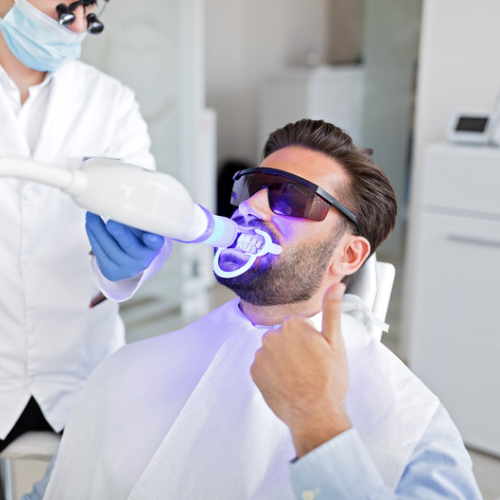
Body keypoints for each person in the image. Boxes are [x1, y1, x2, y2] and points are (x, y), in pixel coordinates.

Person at [34, 119, 481, 499]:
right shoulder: (131, 368)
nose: (251, 206)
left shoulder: (411, 422)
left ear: (348, 257)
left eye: (291, 197)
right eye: (253, 187)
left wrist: (319, 426)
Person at [0, 0, 168, 454]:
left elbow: (149, 215)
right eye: (63, 10)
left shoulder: (110, 102)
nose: (76, 26)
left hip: (80, 375)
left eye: (89, 14)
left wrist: (139, 261)